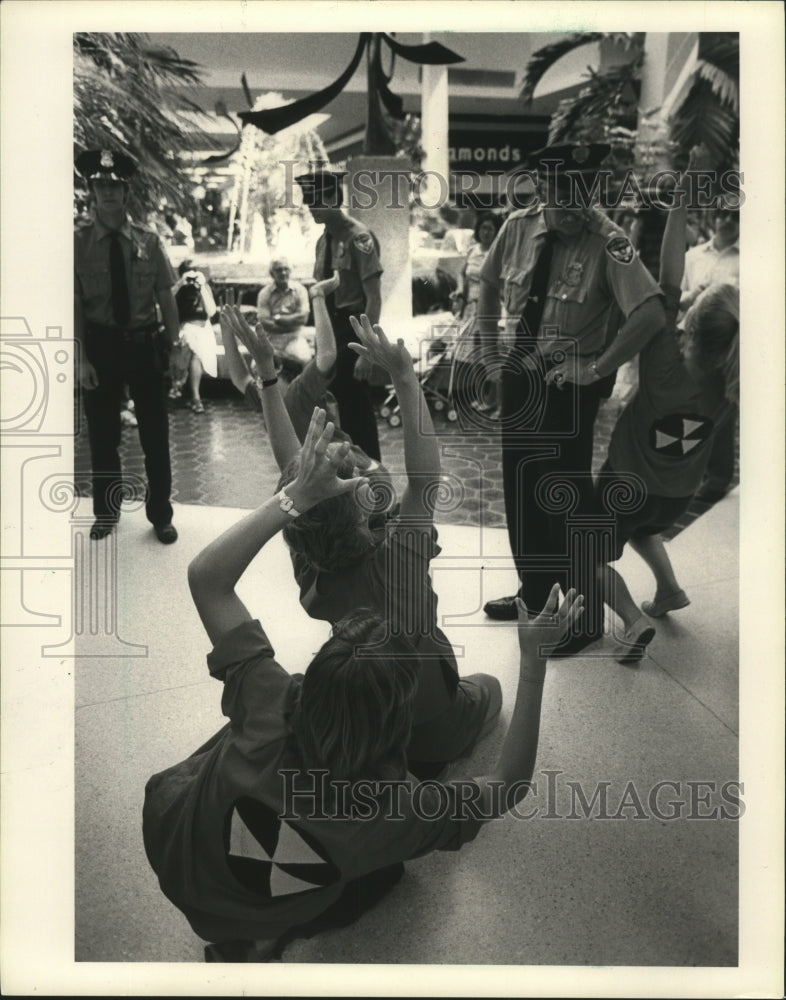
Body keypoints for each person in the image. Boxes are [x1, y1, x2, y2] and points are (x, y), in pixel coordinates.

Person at [143, 404, 584, 962]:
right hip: (277, 886)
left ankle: (250, 935)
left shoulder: (268, 699)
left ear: (316, 674)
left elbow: (206, 577)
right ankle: (268, 931)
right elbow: (510, 783)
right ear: (397, 720)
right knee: (389, 875)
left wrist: (295, 496)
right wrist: (534, 663)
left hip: (176, 853)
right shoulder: (392, 812)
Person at [247, 311, 503, 778]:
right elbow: (425, 481)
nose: (364, 466)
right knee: (491, 688)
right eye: (357, 471)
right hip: (427, 719)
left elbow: (291, 476)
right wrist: (405, 377)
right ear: (364, 506)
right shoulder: (397, 563)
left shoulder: (311, 564)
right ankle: (429, 755)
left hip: (367, 710)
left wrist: (268, 377)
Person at [477, 142, 666, 658]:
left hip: (566, 390)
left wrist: (598, 367)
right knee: (520, 495)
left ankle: (579, 622)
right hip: (521, 377)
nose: (573, 207)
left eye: (582, 194)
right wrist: (491, 358)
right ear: (541, 189)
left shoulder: (610, 242)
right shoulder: (518, 226)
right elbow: (488, 286)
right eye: (561, 195)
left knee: (561, 504)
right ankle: (537, 597)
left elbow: (650, 315)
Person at [596, 153, 739, 663]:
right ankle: (670, 589)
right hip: (676, 496)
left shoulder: (663, 361)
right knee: (644, 525)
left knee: (584, 552)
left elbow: (668, 278)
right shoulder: (732, 385)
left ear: (693, 327)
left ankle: (632, 623)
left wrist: (680, 198)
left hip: (626, 480)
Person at [74, 149, 179, 544]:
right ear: (91, 191)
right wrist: (81, 357)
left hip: (144, 345)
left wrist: (175, 346)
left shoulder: (149, 242)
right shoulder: (78, 243)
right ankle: (106, 513)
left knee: (155, 434)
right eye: (101, 186)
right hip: (99, 347)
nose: (108, 193)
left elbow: (166, 297)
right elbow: (74, 306)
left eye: (114, 186)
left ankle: (161, 515)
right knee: (103, 436)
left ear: (125, 191)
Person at [220, 274, 384, 485]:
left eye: (263, 374)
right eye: (258, 376)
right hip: (330, 475)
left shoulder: (298, 390)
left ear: (280, 373)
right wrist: (226, 330)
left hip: (362, 474)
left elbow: (326, 355)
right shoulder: (268, 396)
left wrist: (317, 297)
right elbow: (239, 377)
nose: (258, 379)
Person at [296, 164, 383, 462]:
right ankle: (348, 480)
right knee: (335, 411)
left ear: (335, 198)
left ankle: (375, 484)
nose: (311, 208)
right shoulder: (323, 241)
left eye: (317, 200)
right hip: (330, 335)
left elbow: (374, 299)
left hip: (351, 332)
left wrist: (366, 351)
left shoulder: (360, 238)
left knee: (358, 414)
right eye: (308, 201)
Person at [680, 203, 740, 503]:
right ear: (712, 216)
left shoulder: (749, 259)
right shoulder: (693, 256)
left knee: (721, 413)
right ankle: (690, 471)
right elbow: (681, 295)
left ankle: (716, 478)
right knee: (693, 409)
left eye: (735, 215)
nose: (727, 220)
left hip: (727, 344)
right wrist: (691, 298)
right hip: (693, 339)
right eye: (723, 213)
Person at [451, 212, 504, 418]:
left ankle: (498, 402)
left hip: (490, 310)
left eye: (491, 228)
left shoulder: (498, 252)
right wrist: (459, 290)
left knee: (492, 355)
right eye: (483, 228)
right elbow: (461, 273)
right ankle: (485, 397)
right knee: (474, 357)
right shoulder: (473, 250)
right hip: (471, 310)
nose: (486, 232)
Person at [170, 259, 220, 413]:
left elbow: (211, 313)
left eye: (194, 273)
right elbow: (166, 304)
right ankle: (195, 398)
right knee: (192, 347)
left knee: (192, 347)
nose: (192, 278)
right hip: (184, 329)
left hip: (203, 331)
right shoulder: (178, 289)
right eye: (188, 273)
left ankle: (178, 385)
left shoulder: (204, 288)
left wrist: (202, 287)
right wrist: (180, 284)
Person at [256, 258, 312, 369]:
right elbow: (265, 323)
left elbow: (303, 318)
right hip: (272, 338)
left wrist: (278, 319)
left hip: (295, 337)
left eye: (286, 269)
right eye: (278, 270)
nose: (283, 273)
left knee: (304, 359)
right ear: (272, 273)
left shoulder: (300, 290)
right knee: (257, 366)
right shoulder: (264, 293)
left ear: (290, 271)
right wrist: (292, 323)